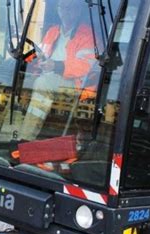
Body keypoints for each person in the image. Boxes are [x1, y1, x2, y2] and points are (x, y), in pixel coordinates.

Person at [19, 0, 97, 141]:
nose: (66, 12)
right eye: (63, 7)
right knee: (14, 79)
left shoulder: (88, 35)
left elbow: (88, 66)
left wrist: (56, 65)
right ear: (58, 9)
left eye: (70, 8)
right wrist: (33, 61)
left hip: (76, 84)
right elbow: (43, 56)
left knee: (43, 84)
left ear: (79, 10)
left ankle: (25, 138)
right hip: (49, 75)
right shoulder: (53, 31)